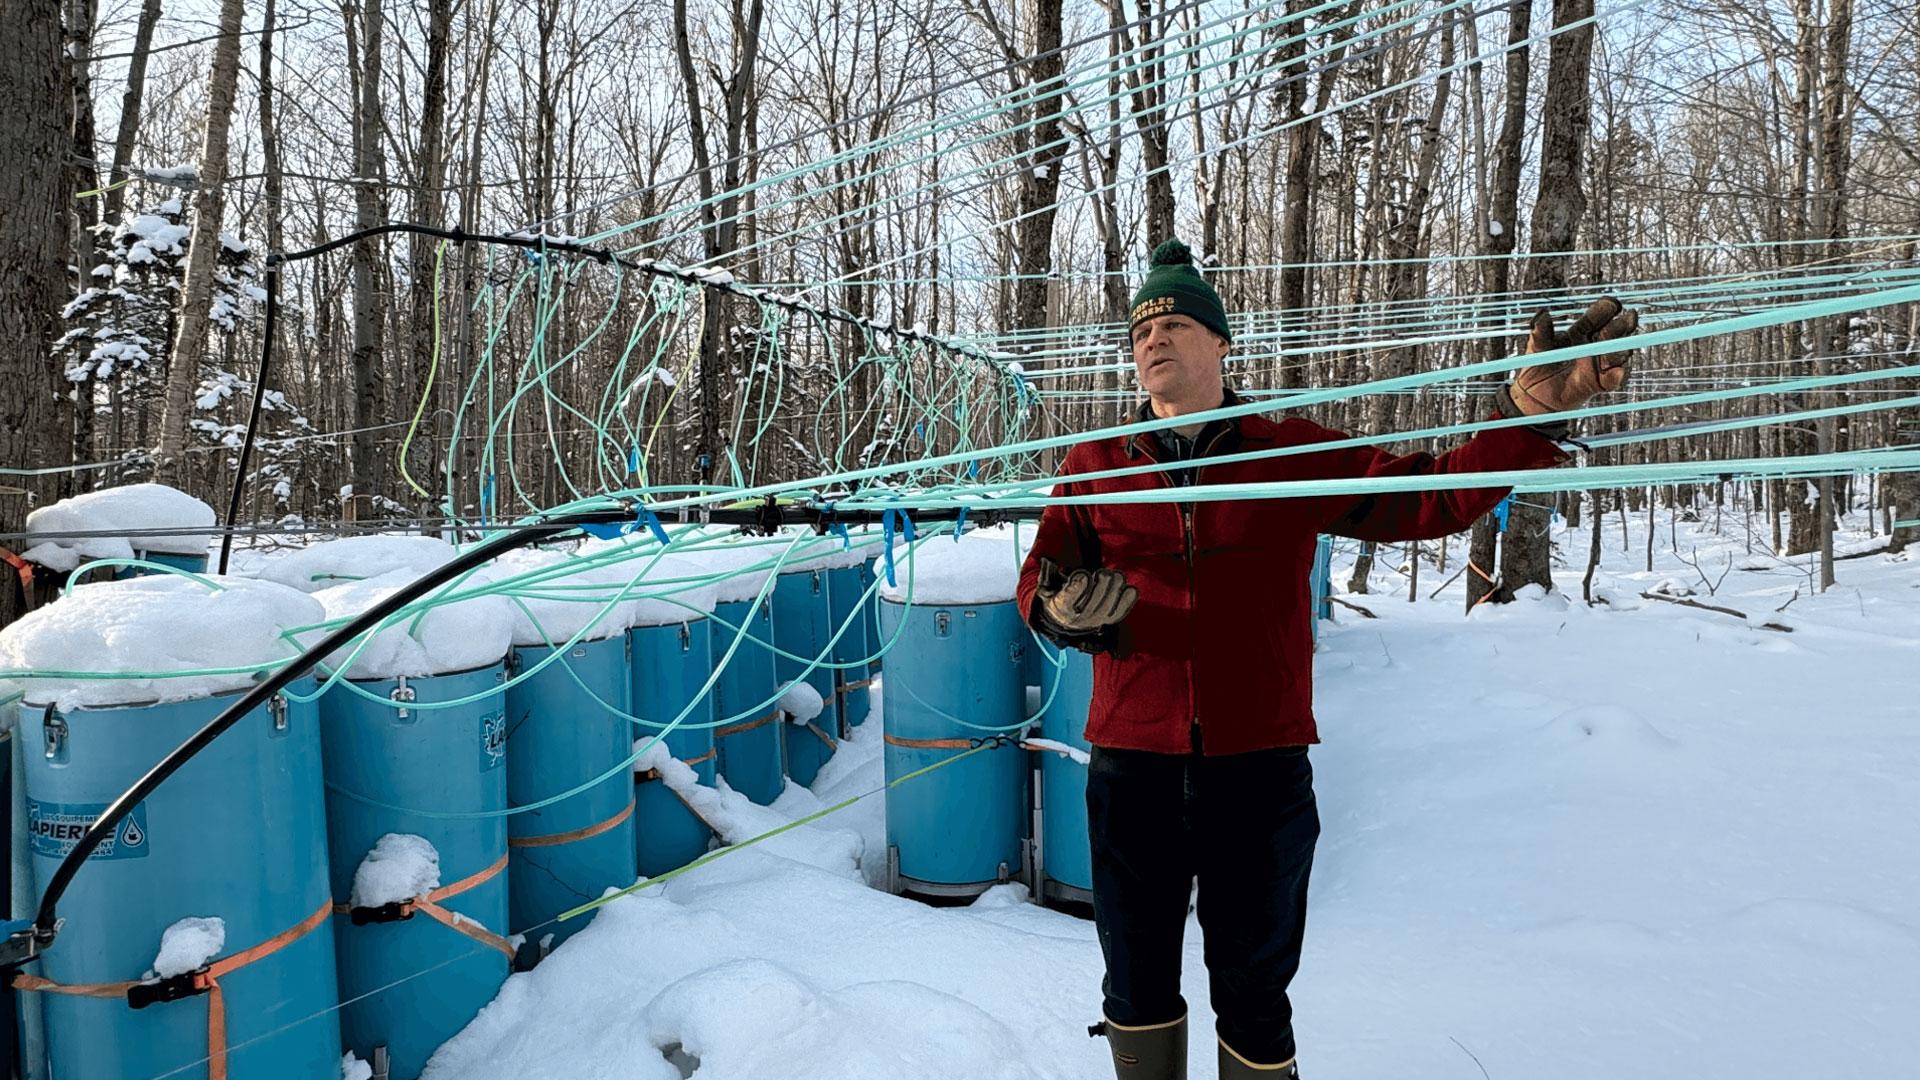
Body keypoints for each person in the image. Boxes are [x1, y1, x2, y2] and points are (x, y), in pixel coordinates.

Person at [1014, 239, 1637, 1079]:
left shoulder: (1288, 451)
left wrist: (1524, 423)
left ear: (1220, 343)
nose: (1152, 338)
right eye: (1138, 330)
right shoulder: (1092, 468)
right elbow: (1041, 578)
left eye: (1172, 321)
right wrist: (1054, 609)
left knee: (1256, 992)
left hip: (1259, 770)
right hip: (1132, 769)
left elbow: (1429, 495)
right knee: (1134, 984)